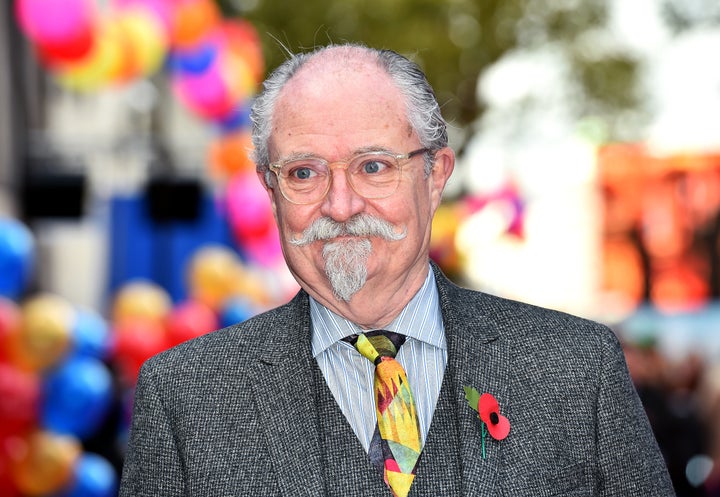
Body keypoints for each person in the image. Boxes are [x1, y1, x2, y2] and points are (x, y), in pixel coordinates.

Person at [119, 43, 674, 496]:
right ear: (271, 191)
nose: (340, 205)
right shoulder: (184, 398)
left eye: (373, 166)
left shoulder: (577, 372)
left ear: (435, 176)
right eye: (305, 173)